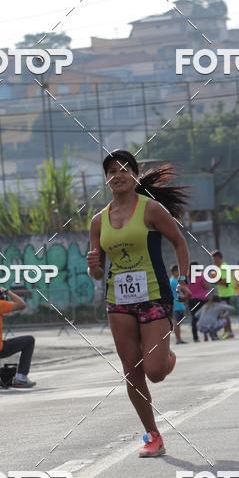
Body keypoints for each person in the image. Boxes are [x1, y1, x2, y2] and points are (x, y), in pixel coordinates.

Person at [87, 150, 190, 458]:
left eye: (124, 169)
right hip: (118, 302)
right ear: (106, 179)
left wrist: (184, 280)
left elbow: (180, 242)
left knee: (154, 371)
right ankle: (152, 435)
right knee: (131, 370)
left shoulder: (151, 209)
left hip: (154, 295)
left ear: (134, 175)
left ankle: (166, 357)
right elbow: (97, 271)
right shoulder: (97, 221)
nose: (117, 175)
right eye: (111, 171)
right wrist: (93, 266)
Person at [210, 250, 235, 338]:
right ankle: (227, 332)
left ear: (219, 258)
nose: (214, 261)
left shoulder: (224, 266)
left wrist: (215, 278)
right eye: (213, 259)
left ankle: (229, 332)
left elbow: (224, 281)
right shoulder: (218, 267)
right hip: (222, 294)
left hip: (226, 294)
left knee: (224, 314)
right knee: (223, 313)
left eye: (215, 258)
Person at [187, 259, 211, 343]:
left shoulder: (188, 278)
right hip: (202, 300)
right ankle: (205, 335)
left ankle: (195, 337)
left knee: (194, 318)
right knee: (204, 318)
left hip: (191, 300)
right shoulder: (201, 276)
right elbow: (207, 286)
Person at [169, 264, 186, 344]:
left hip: (179, 305)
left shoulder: (175, 280)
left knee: (178, 323)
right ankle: (178, 339)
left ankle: (179, 339)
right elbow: (183, 289)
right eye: (178, 271)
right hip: (176, 305)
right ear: (174, 272)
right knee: (176, 323)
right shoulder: (173, 281)